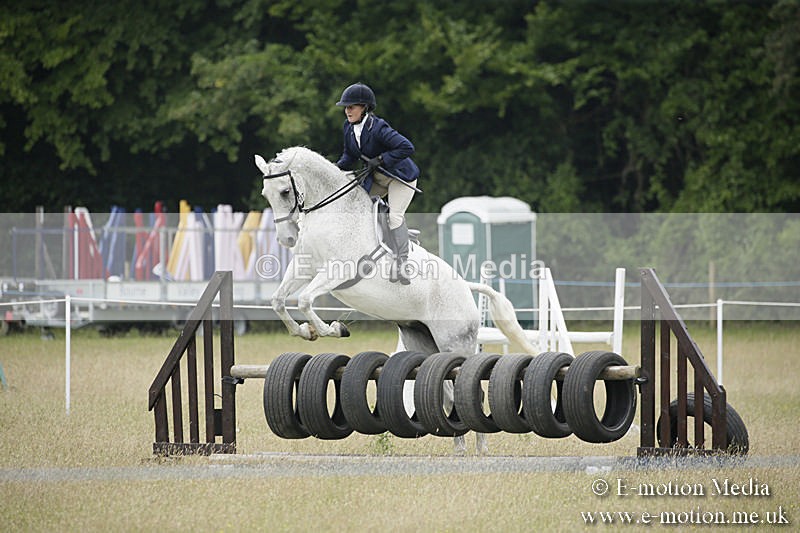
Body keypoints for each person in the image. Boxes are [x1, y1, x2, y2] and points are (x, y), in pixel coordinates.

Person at [335, 82, 419, 285]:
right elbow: (348, 156)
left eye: (352, 106)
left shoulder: (378, 127)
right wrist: (333, 171)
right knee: (356, 205)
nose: (347, 111)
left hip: (401, 178)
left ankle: (402, 263)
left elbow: (407, 147)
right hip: (379, 178)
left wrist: (381, 159)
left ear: (364, 107)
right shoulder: (348, 128)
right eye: (346, 107)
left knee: (394, 217)